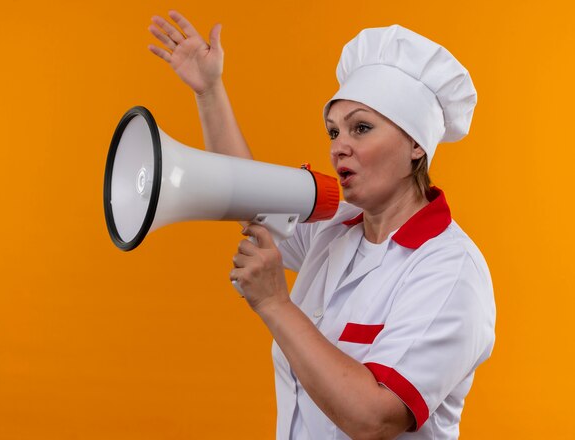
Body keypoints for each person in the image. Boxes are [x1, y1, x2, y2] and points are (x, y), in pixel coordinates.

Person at [148, 11, 496, 440]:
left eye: (361, 128)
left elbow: (375, 418)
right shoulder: (335, 225)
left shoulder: (449, 271)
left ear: (416, 146)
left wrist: (276, 303)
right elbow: (247, 195)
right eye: (333, 132)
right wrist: (209, 91)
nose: (338, 147)